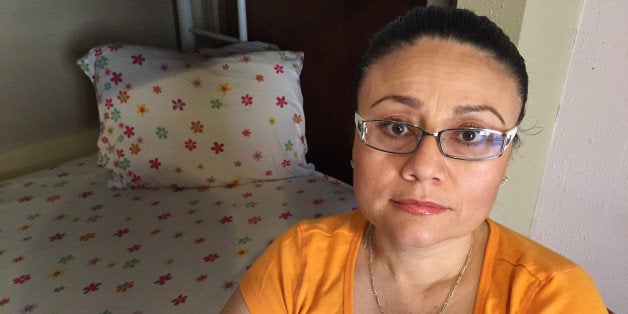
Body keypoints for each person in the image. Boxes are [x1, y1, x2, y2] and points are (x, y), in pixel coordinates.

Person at [222, 6, 607, 313]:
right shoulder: (297, 261)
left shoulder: (554, 297)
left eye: (470, 135)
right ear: (356, 140)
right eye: (395, 126)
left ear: (506, 159)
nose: (423, 167)